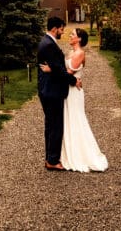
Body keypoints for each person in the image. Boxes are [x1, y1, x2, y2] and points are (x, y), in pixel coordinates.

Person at [58, 28, 108, 172]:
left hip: (74, 92)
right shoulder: (71, 53)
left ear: (79, 39)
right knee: (67, 120)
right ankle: (68, 152)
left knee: (76, 119)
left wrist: (52, 70)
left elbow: (67, 73)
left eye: (73, 34)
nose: (70, 36)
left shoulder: (80, 53)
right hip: (69, 89)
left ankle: (81, 155)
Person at [37, 16, 79, 171]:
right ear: (54, 28)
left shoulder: (46, 42)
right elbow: (60, 70)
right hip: (51, 91)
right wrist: (73, 80)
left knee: (51, 125)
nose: (62, 31)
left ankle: (50, 158)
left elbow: (55, 67)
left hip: (47, 90)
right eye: (61, 28)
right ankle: (52, 161)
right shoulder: (48, 45)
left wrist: (53, 69)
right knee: (55, 126)